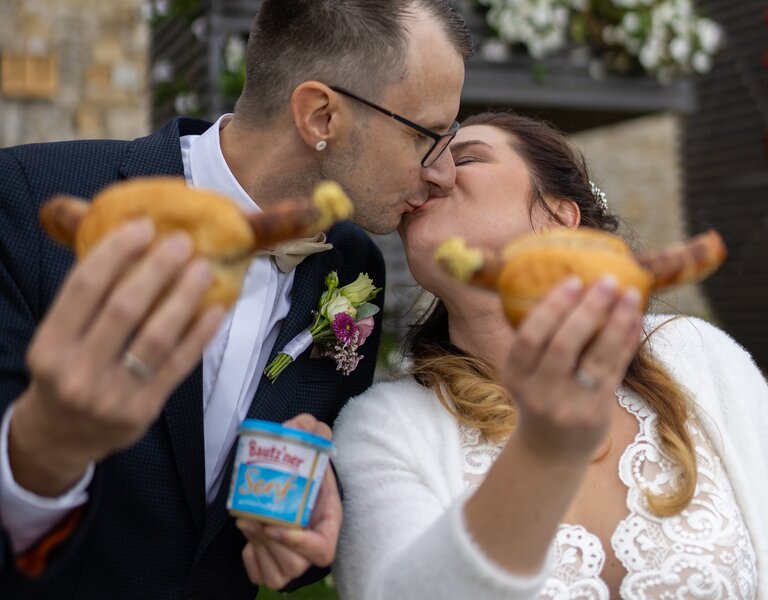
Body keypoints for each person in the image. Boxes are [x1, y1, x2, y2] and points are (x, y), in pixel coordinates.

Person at [0, 1, 473, 598]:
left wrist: (306, 533)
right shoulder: (24, 198)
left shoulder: (355, 268)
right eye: (427, 136)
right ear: (321, 116)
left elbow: (283, 509)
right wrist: (44, 450)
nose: (446, 172)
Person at [332, 112, 768, 599]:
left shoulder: (695, 356)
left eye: (466, 157)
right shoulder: (385, 427)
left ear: (559, 217)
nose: (433, 173)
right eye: (423, 165)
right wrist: (542, 456)